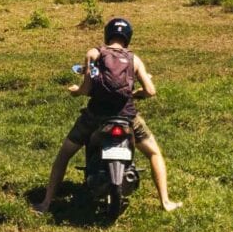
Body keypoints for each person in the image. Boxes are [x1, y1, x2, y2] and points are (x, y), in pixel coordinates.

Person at [34, 17, 181, 214]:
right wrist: (136, 94)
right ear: (127, 37)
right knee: (154, 153)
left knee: (64, 155)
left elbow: (86, 88)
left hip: (95, 116)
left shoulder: (94, 54)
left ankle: (46, 203)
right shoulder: (134, 59)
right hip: (127, 117)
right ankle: (165, 201)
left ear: (107, 34)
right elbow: (151, 91)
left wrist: (76, 91)